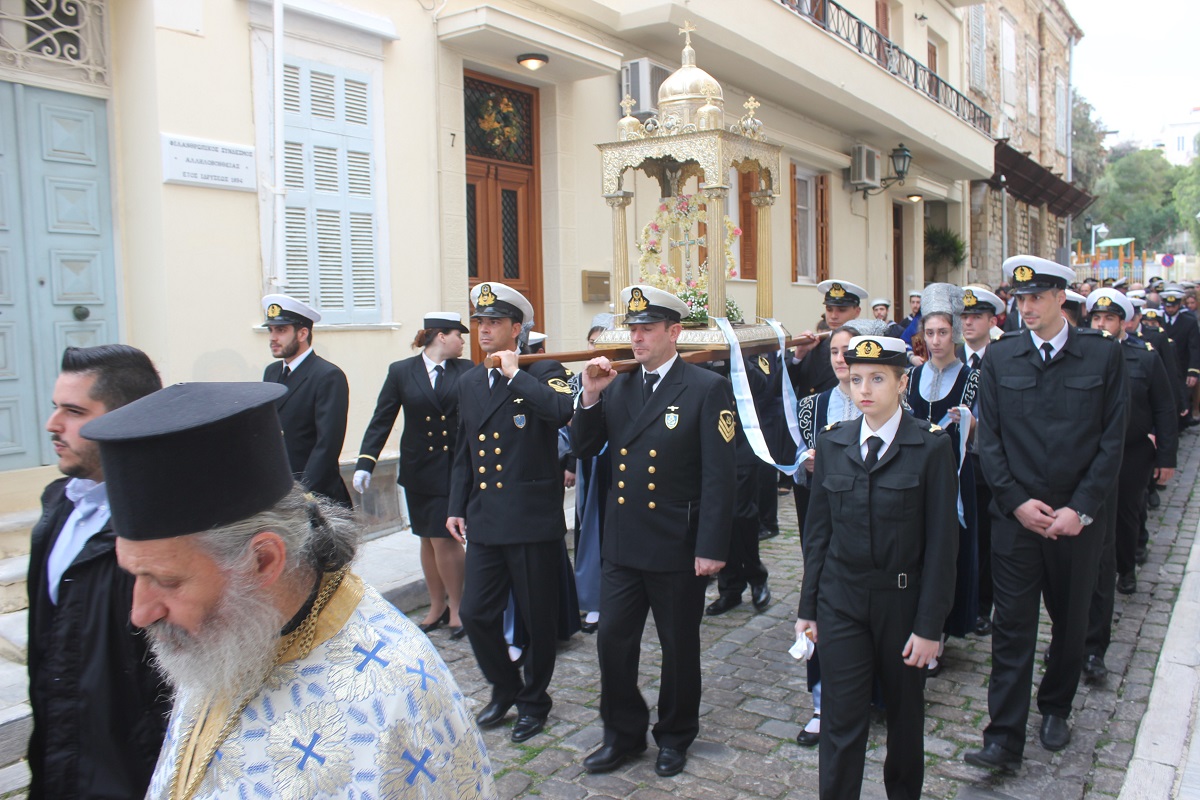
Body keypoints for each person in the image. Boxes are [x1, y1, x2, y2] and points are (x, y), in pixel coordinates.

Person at [81, 381, 495, 800]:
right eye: (134, 575)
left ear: (263, 560)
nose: (139, 613)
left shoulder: (396, 695)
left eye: (167, 581)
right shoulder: (226, 638)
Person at [966, 255, 1127, 773]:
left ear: (1062, 298)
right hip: (1017, 520)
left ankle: (1056, 706)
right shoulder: (1003, 356)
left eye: (1037, 297)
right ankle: (1003, 738)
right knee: (1012, 628)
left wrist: (1080, 509)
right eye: (1020, 299)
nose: (1027, 307)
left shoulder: (1102, 356)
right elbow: (990, 440)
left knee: (1071, 622)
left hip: (1075, 522)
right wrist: (1015, 502)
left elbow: (1112, 442)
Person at [573, 285, 736, 778]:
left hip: (677, 544)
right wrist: (589, 396)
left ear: (674, 332)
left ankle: (675, 734)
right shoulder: (618, 385)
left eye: (647, 329)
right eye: (634, 330)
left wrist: (711, 546)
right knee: (612, 643)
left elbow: (720, 476)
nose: (637, 338)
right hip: (625, 542)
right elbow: (584, 447)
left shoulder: (704, 387)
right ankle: (622, 734)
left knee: (678, 648)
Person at [797, 334, 958, 800]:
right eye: (856, 379)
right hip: (842, 601)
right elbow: (818, 535)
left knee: (904, 719)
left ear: (903, 383)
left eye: (877, 379)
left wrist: (929, 627)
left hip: (902, 603)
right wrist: (808, 609)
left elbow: (943, 545)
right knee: (841, 718)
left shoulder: (930, 447)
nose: (863, 389)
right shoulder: (833, 443)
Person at [26, 345, 169, 800]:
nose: (52, 424)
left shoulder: (165, 530)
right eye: (56, 407)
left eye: (73, 412)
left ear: (127, 419)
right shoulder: (59, 507)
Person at [447, 281, 574, 743]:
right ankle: (505, 688)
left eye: (494, 322)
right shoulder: (468, 381)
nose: (484, 330)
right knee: (476, 613)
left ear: (517, 329)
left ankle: (534, 702)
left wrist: (516, 375)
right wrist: (456, 505)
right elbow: (464, 448)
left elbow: (562, 411)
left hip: (531, 517)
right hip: (486, 517)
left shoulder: (544, 370)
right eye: (480, 322)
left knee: (537, 620)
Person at [791, 319, 884, 748]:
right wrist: (804, 462)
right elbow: (794, 455)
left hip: (873, 525)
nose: (841, 359)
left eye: (849, 351)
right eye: (833, 352)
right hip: (824, 522)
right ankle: (821, 703)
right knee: (820, 606)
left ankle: (873, 692)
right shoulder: (812, 406)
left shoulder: (879, 400)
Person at [352, 312, 472, 637]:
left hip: (453, 469)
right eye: (459, 335)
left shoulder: (466, 370)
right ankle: (437, 606)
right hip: (419, 469)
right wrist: (366, 461)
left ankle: (458, 607)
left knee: (445, 538)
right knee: (427, 539)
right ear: (441, 336)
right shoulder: (402, 371)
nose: (463, 341)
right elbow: (383, 418)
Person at [1082, 290, 1177, 683]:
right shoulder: (1082, 355)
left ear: (1125, 323)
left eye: (1109, 319)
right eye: (1096, 319)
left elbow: (1164, 407)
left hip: (1133, 452)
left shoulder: (1145, 357)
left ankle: (1127, 566)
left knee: (1127, 515)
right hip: (1091, 459)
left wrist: (1166, 456)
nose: (1102, 325)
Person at [905, 284, 980, 673]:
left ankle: (942, 628)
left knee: (948, 550)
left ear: (955, 333)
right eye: (930, 333)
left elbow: (986, 433)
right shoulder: (912, 377)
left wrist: (970, 425)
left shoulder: (971, 379)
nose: (935, 341)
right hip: (916, 478)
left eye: (943, 333)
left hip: (954, 477)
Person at [261, 294, 351, 506]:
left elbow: (327, 445)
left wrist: (304, 493)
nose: (273, 337)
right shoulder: (272, 372)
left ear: (302, 333)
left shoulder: (327, 375)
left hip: (314, 493)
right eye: (271, 330)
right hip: (278, 489)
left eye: (281, 330)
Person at [958, 286, 1003, 636]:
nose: (969, 322)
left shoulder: (1002, 359)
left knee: (985, 539)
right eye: (965, 316)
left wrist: (977, 430)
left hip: (986, 462)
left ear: (992, 320)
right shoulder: (951, 356)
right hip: (954, 463)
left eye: (976, 316)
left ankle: (982, 605)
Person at [788, 279, 867, 398]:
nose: (833, 316)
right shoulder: (815, 344)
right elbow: (785, 387)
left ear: (857, 311)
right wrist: (798, 356)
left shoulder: (863, 347)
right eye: (829, 309)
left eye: (842, 310)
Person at [1160, 285, 1200, 424]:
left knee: (1181, 394)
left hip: (1182, 366)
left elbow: (1194, 348)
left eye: (1174, 306)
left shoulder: (1189, 321)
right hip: (1162, 365)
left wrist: (1193, 371)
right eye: (1168, 306)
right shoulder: (1157, 320)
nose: (1170, 309)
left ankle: (1182, 421)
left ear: (1179, 305)